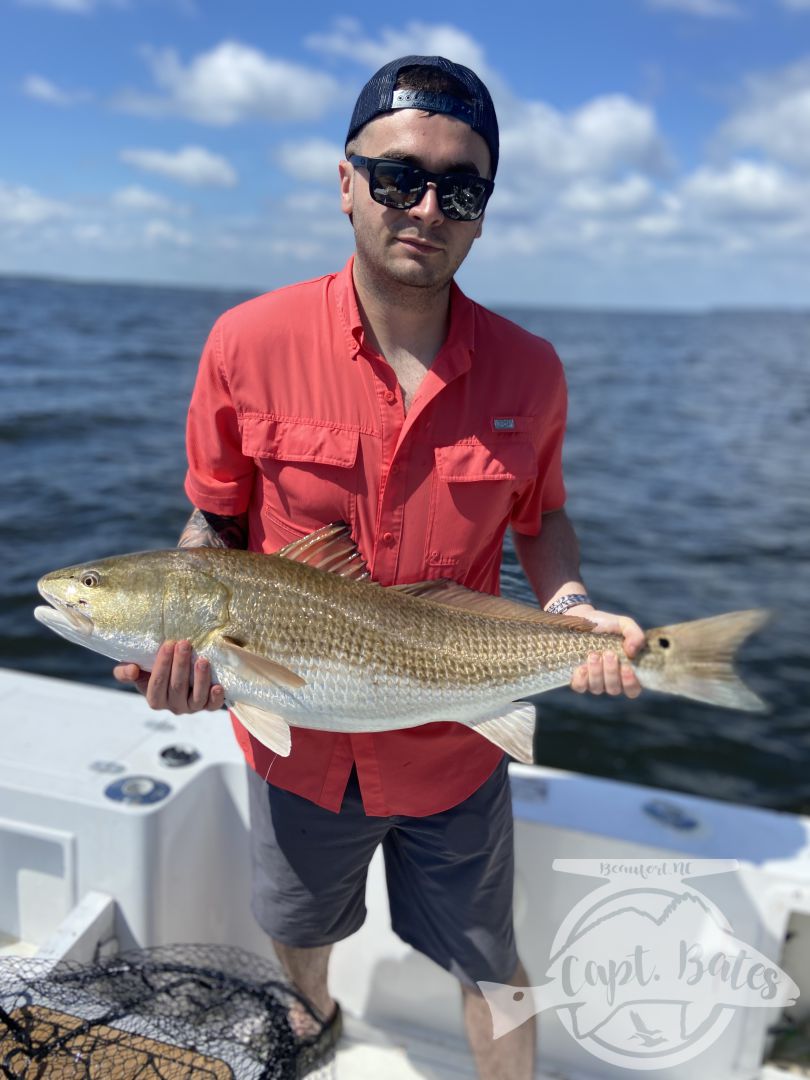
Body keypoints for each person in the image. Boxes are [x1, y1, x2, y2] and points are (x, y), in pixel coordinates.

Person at [114, 55, 644, 1080]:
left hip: (459, 743)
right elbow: (214, 525)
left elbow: (545, 519)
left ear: (486, 210)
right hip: (300, 742)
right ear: (345, 179)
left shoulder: (531, 369)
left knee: (492, 964)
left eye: (462, 187)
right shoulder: (245, 342)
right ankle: (315, 1024)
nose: (428, 207)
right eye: (398, 176)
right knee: (300, 931)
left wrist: (571, 603)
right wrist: (175, 642)